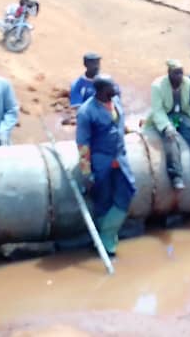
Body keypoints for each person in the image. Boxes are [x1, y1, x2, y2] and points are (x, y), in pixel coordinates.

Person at [76, 75, 136, 257]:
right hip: (102, 162)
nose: (117, 88)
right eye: (112, 86)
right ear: (101, 90)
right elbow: (83, 143)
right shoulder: (86, 111)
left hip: (120, 158)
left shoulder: (116, 101)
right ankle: (107, 244)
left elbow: (118, 124)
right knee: (103, 201)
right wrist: (86, 172)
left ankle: (105, 237)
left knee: (128, 192)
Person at [147, 59, 190, 190]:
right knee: (171, 137)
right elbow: (158, 110)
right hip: (165, 116)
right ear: (169, 73)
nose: (179, 76)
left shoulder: (187, 83)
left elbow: (187, 107)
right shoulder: (157, 86)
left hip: (179, 117)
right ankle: (176, 177)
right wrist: (166, 126)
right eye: (176, 73)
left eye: (181, 73)